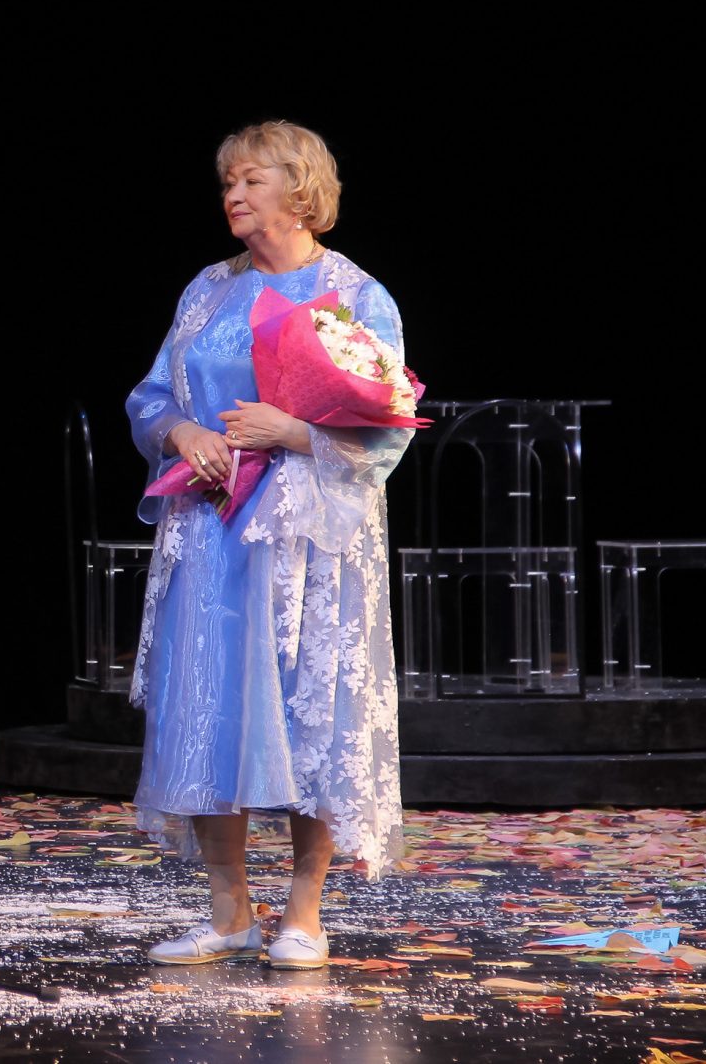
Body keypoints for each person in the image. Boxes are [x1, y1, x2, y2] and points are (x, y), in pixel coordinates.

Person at [126, 120, 410, 970]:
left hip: (309, 538)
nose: (234, 196)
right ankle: (228, 912)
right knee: (210, 708)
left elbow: (387, 428)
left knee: (307, 712)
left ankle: (304, 914)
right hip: (212, 525)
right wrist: (180, 432)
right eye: (228, 183)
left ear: (299, 189)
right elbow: (150, 395)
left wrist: (291, 432)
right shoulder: (209, 288)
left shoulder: (355, 294)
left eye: (251, 180)